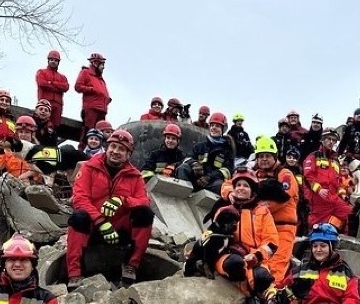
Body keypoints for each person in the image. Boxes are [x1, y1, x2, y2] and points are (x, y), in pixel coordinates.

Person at [66, 130, 154, 288]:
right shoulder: (89, 168)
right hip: (93, 229)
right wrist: (100, 222)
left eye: (121, 149)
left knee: (144, 213)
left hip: (120, 230)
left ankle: (131, 265)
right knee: (78, 217)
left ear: (128, 154)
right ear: (106, 148)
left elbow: (144, 201)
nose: (116, 151)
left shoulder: (135, 176)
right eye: (113, 146)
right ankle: (74, 273)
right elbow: (80, 198)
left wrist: (123, 201)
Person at [221, 137, 298, 284]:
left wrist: (251, 205)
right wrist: (230, 193)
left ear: (274, 157)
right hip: (258, 226)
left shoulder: (285, 175)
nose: (264, 159)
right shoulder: (253, 175)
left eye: (267, 156)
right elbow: (228, 184)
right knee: (252, 261)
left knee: (276, 265)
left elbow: (283, 198)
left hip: (282, 227)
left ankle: (271, 296)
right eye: (261, 156)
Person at [211, 169, 278, 304]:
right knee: (235, 264)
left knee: (263, 277)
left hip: (254, 257)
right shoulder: (224, 210)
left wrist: (257, 256)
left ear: (252, 190)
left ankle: (259, 300)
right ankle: (246, 299)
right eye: (238, 185)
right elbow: (212, 237)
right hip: (228, 254)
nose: (241, 188)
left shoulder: (263, 211)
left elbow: (271, 243)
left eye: (246, 185)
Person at [303, 129, 353, 234]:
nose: (331, 142)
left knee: (349, 213)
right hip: (318, 198)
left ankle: (339, 237)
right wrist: (319, 189)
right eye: (328, 139)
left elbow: (338, 182)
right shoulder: (313, 156)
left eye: (334, 140)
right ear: (322, 140)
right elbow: (308, 177)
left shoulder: (335, 161)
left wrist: (343, 194)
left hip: (333, 197)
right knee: (316, 227)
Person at [175, 112, 234, 194]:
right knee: (183, 168)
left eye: (217, 126)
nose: (213, 128)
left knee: (220, 185)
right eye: (212, 125)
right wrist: (194, 164)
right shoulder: (200, 146)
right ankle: (182, 195)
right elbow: (187, 158)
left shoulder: (227, 151)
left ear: (223, 129)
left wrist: (209, 177)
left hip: (211, 183)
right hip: (195, 179)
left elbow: (227, 171)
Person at [0, 115, 43, 186]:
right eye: (21, 132)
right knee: (4, 176)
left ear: (33, 135)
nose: (23, 135)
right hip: (11, 183)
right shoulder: (9, 150)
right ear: (16, 134)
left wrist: (27, 177)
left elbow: (39, 172)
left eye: (27, 132)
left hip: (30, 185)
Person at [74, 52, 111, 133]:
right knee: (88, 132)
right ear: (95, 63)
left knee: (99, 133)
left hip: (102, 110)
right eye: (102, 64)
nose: (103, 67)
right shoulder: (85, 72)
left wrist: (107, 98)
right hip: (91, 108)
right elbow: (78, 86)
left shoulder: (100, 79)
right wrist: (91, 89)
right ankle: (83, 146)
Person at [35, 50, 70, 128]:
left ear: (58, 62)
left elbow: (66, 87)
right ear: (48, 60)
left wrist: (51, 83)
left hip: (58, 105)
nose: (53, 62)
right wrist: (58, 87)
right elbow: (42, 83)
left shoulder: (62, 77)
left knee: (54, 127)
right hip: (44, 102)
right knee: (40, 123)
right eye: (51, 60)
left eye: (55, 60)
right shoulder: (41, 72)